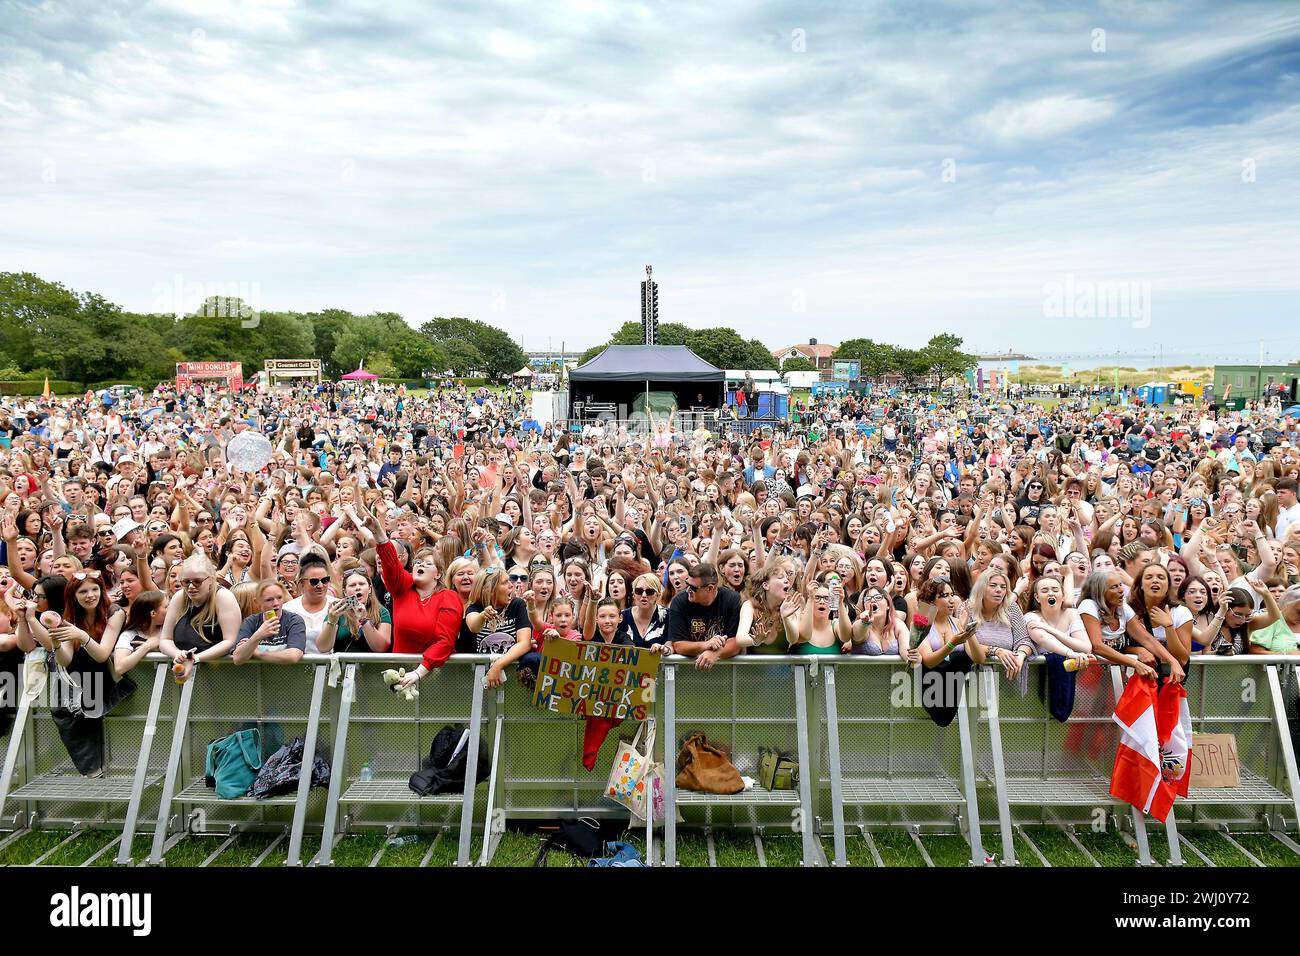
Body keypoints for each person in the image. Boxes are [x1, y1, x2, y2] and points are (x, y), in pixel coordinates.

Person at [346, 498, 461, 691]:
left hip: (434, 674)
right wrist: (379, 532)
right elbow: (391, 567)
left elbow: (445, 641)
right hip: (401, 673)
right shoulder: (403, 589)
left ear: (439, 573)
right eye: (418, 562)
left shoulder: (448, 597)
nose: (420, 565)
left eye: (428, 563)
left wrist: (418, 672)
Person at [159, 553, 241, 683]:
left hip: (222, 675)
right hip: (184, 672)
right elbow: (165, 639)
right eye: (186, 582)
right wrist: (177, 654)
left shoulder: (223, 597)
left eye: (197, 581)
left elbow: (230, 641)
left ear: (211, 579)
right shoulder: (179, 597)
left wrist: (195, 658)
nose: (191, 587)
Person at [659, 562, 743, 670]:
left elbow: (736, 642)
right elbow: (678, 645)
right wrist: (706, 645)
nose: (688, 590)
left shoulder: (732, 599)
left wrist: (716, 653)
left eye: (693, 588)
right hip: (690, 670)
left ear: (710, 588)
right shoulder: (679, 601)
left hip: (725, 671)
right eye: (687, 584)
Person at [233, 579, 307, 664]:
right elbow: (238, 658)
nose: (276, 603)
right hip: (257, 676)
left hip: (288, 675)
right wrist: (258, 635)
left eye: (279, 598)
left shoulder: (294, 620)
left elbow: (294, 656)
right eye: (269, 600)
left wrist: (258, 653)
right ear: (257, 603)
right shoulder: (251, 622)